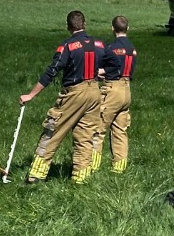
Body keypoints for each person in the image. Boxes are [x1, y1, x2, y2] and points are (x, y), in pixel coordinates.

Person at [19, 10, 105, 185]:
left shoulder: (67, 46)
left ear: (68, 27)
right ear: (85, 24)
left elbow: (52, 71)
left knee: (53, 130)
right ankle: (81, 178)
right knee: (85, 135)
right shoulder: (99, 44)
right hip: (95, 91)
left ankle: (36, 175)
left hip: (75, 93)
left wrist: (31, 95)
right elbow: (107, 65)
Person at [88, 16, 136, 177]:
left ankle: (92, 166)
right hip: (126, 90)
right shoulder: (132, 48)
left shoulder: (111, 48)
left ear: (112, 29)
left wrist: (100, 73)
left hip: (112, 89)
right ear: (128, 29)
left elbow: (105, 68)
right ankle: (119, 168)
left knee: (98, 129)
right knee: (120, 130)